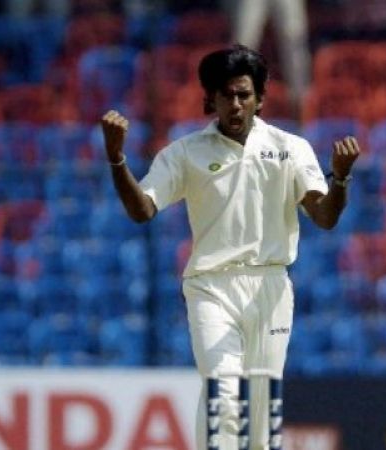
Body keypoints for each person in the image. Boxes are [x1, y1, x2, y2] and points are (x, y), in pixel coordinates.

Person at [100, 44, 360, 450]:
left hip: (271, 287)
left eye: (244, 94)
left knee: (260, 418)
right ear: (211, 98)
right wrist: (117, 159)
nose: (235, 104)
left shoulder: (291, 148)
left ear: (260, 97)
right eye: (226, 95)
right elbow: (142, 210)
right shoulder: (185, 153)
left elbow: (324, 217)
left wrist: (340, 180)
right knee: (224, 394)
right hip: (210, 286)